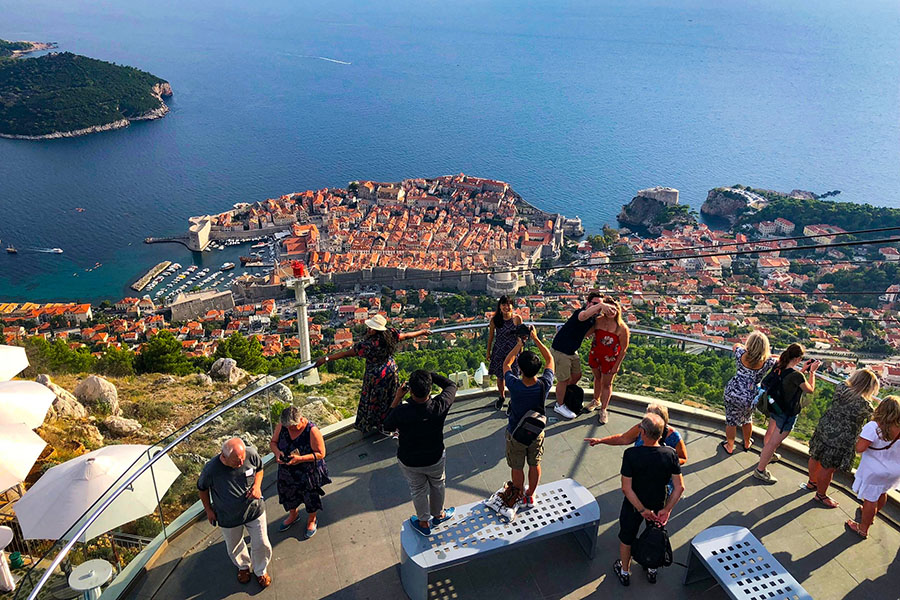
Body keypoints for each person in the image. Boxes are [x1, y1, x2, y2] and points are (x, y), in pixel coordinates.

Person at [315, 314, 429, 434]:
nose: (369, 330)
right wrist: (422, 332)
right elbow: (406, 336)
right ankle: (390, 424)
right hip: (390, 370)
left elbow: (346, 353)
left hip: (375, 376)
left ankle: (376, 425)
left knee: (375, 400)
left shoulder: (367, 345)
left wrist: (326, 359)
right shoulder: (390, 334)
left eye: (371, 328)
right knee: (391, 398)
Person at [613, 413, 684, 586]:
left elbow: (626, 488)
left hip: (633, 506)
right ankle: (651, 568)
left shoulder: (631, 454)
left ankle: (624, 571)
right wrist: (666, 510)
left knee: (627, 537)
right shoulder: (671, 454)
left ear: (642, 432)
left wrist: (642, 510)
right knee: (655, 535)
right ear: (661, 435)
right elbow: (679, 487)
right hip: (659, 502)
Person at [384, 370, 458, 536]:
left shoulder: (402, 411)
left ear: (410, 390)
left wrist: (397, 397)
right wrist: (430, 375)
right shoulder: (440, 405)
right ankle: (439, 514)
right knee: (438, 483)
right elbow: (451, 385)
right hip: (435, 456)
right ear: (430, 390)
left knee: (417, 489)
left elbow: (387, 425)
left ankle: (423, 523)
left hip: (409, 460)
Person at [197, 438, 273, 588]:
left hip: (254, 509)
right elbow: (202, 489)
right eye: (236, 461)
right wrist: (209, 510)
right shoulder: (211, 470)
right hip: (228, 515)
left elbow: (259, 469)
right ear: (223, 457)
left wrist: (257, 486)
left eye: (242, 458)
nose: (240, 463)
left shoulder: (250, 454)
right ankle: (243, 567)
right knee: (234, 544)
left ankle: (260, 570)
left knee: (261, 542)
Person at [495, 325, 555, 514]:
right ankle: (531, 494)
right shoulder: (544, 384)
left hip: (516, 432)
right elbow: (550, 360)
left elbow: (506, 364)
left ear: (519, 369)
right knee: (534, 463)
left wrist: (518, 345)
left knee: (517, 466)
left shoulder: (514, 385)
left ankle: (518, 494)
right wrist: (536, 339)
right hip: (536, 432)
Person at [806, 369, 879, 507]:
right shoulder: (865, 405)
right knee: (828, 468)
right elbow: (874, 422)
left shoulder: (841, 387)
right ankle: (820, 495)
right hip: (841, 440)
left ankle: (812, 482)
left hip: (824, 428)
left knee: (815, 456)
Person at [753, 343, 819, 484]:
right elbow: (810, 389)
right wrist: (812, 372)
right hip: (786, 413)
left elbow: (789, 378)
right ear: (798, 358)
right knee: (773, 443)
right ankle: (760, 470)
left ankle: (767, 455)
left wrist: (802, 370)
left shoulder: (779, 366)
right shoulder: (797, 376)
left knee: (770, 434)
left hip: (774, 406)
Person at [269, 406, 331, 537]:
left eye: (293, 426)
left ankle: (312, 519)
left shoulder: (311, 430)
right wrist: (277, 453)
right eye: (288, 427)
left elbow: (321, 453)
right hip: (287, 470)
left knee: (310, 495)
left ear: (301, 419)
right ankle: (293, 514)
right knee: (288, 493)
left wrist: (300, 459)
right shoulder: (282, 426)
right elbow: (273, 442)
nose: (289, 429)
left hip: (307, 471)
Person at [550, 292, 611, 420]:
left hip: (571, 350)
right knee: (563, 379)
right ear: (588, 303)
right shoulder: (581, 313)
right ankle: (559, 404)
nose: (598, 307)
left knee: (577, 375)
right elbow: (584, 315)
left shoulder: (593, 319)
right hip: (561, 349)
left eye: (599, 305)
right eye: (595, 304)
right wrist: (601, 305)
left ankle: (565, 395)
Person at [847, 396, 900, 538]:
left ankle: (863, 528)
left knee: (870, 499)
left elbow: (860, 448)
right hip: (894, 470)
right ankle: (871, 515)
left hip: (875, 470)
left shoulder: (874, 426)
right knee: (882, 493)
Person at [721, 331, 777, 454]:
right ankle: (747, 443)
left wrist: (744, 347)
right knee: (747, 419)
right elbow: (780, 361)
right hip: (751, 395)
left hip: (733, 391)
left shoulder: (741, 354)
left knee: (731, 420)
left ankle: (729, 446)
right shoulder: (767, 362)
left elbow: (736, 345)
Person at [584, 403, 688, 466]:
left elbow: (683, 458)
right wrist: (601, 441)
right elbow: (623, 438)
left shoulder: (673, 436)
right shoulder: (642, 427)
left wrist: (667, 463)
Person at [586, 296, 630, 424]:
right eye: (608, 309)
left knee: (607, 383)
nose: (611, 312)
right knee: (597, 378)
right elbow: (587, 333)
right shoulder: (598, 321)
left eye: (614, 309)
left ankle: (604, 409)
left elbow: (623, 349)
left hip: (610, 359)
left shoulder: (622, 328)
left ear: (618, 310)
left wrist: (617, 365)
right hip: (596, 354)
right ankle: (596, 400)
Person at [486, 295, 523, 410]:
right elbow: (491, 337)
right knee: (500, 377)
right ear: (500, 306)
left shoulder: (517, 319)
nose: (506, 307)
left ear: (512, 305)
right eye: (504, 304)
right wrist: (488, 352)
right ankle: (501, 397)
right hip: (499, 350)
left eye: (508, 304)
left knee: (514, 377)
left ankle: (513, 400)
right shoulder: (495, 320)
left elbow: (520, 337)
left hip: (513, 351)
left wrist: (520, 353)